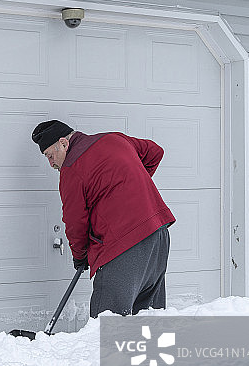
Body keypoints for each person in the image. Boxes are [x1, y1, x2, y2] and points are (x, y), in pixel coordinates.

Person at [31, 120, 175, 317]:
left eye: (50, 155)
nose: (51, 163)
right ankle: (147, 349)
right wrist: (130, 187)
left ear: (64, 143)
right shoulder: (114, 139)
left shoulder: (72, 169)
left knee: (106, 321)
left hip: (124, 247)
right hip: (157, 235)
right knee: (148, 318)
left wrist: (80, 256)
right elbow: (155, 152)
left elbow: (75, 223)